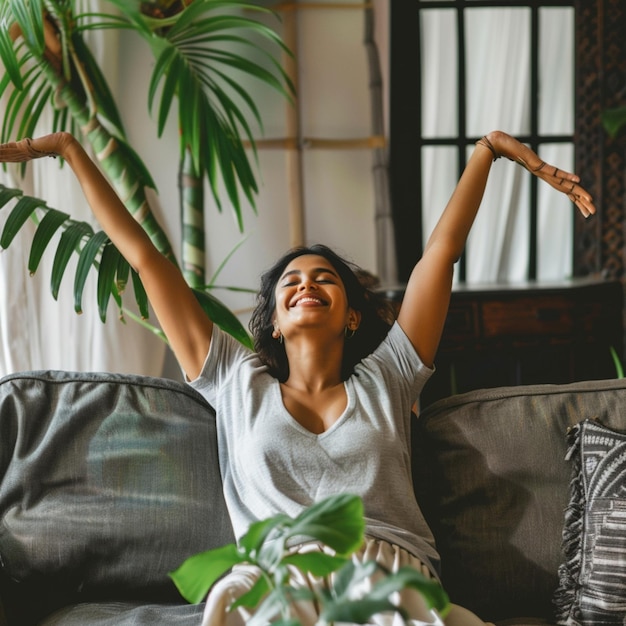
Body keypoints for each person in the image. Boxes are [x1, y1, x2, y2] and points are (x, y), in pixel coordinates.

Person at [0, 131, 595, 625]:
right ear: (277, 322)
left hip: (390, 578)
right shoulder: (234, 376)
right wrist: (71, 152)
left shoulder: (389, 374)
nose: (307, 284)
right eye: (291, 282)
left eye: (325, 279)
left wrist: (489, 150)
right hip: (273, 582)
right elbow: (146, 258)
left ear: (352, 314)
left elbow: (439, 254)